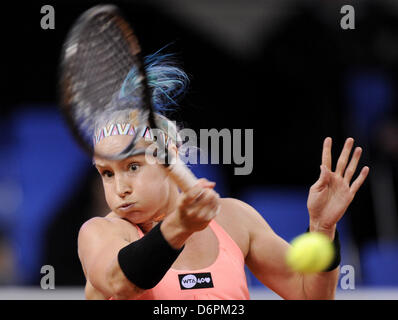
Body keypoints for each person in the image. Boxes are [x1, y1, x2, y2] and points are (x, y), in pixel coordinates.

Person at [77, 50, 369, 300]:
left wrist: (322, 229)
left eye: (132, 167)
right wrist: (178, 226)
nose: (120, 188)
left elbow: (310, 294)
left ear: (171, 157)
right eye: (106, 173)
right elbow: (120, 283)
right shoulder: (100, 233)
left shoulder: (235, 219)